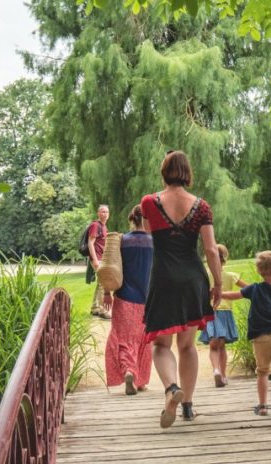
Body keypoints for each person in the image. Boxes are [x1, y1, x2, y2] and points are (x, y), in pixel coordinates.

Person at [141, 150, 226, 428]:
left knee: (161, 344)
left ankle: (170, 389)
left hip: (164, 278)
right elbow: (211, 249)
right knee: (187, 346)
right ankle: (188, 405)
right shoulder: (201, 206)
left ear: (163, 172)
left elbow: (149, 236)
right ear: (187, 172)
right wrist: (218, 282)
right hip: (193, 279)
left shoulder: (149, 203)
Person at [220, 250, 271, 426]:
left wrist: (218, 294)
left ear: (259, 271)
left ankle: (263, 406)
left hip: (260, 338)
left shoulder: (254, 288)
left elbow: (234, 296)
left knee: (262, 372)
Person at [104, 206, 154, 395]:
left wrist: (107, 292)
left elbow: (108, 267)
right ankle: (140, 381)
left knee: (123, 338)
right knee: (144, 339)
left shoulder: (121, 241)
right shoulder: (154, 242)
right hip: (148, 299)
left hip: (124, 297)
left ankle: (128, 371)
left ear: (131, 219)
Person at [198, 243, 241, 387]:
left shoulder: (204, 275)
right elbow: (248, 288)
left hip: (210, 313)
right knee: (222, 346)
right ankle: (223, 374)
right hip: (225, 314)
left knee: (213, 346)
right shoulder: (230, 276)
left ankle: (215, 370)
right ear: (225, 259)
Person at [83, 204, 112, 318]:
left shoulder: (104, 227)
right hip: (97, 258)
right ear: (98, 213)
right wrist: (95, 260)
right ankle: (101, 310)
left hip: (102, 258)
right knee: (103, 283)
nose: (105, 214)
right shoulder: (95, 225)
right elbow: (91, 243)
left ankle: (95, 308)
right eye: (103, 212)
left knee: (100, 283)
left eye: (107, 212)